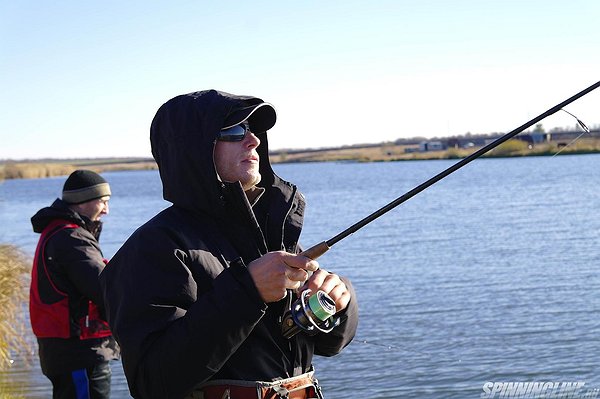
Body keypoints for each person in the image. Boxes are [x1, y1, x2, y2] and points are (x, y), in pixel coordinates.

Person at [99, 90, 359, 399]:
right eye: (235, 130)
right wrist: (248, 292)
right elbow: (153, 382)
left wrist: (338, 303)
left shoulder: (273, 233)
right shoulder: (153, 247)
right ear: (193, 148)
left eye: (253, 130)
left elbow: (329, 345)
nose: (253, 141)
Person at [30, 170, 120, 399]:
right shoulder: (72, 239)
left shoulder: (58, 231)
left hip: (66, 350)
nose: (107, 210)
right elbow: (104, 289)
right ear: (82, 202)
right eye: (103, 202)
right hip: (79, 351)